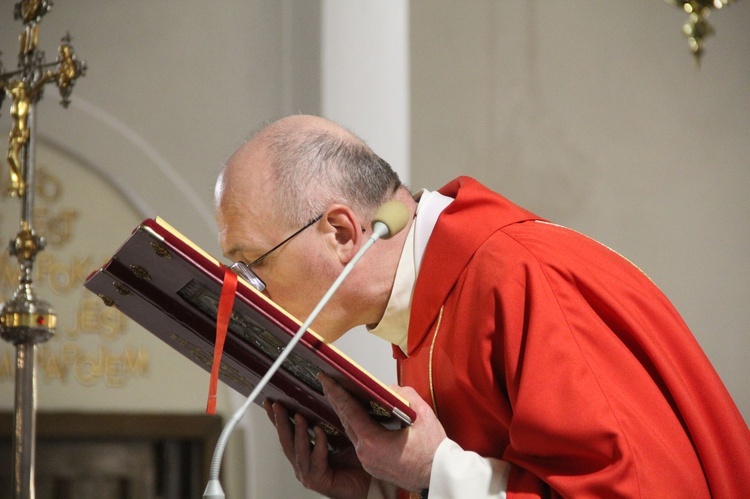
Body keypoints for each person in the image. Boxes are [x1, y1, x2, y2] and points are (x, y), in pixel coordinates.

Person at [214, 114, 750, 498]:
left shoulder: (521, 278)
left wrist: (438, 470)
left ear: (340, 233)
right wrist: (384, 487)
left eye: (251, 261)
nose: (246, 288)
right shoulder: (427, 304)